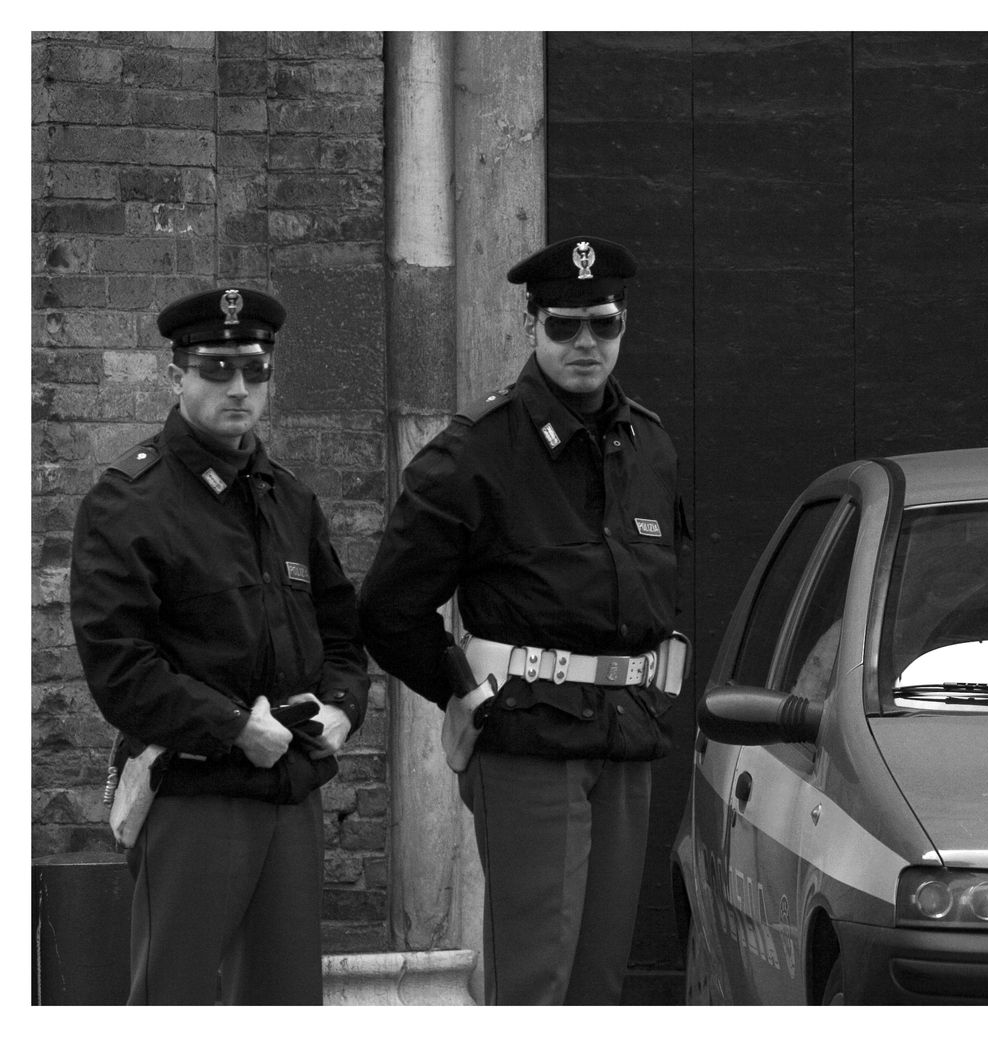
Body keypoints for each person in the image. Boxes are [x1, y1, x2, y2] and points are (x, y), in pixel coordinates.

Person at [358, 234, 690, 1005]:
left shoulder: (651, 444)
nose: (584, 343)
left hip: (626, 739)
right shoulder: (475, 452)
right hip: (530, 742)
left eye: (602, 324)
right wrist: (462, 692)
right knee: (534, 981)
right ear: (530, 323)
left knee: (598, 985)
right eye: (563, 325)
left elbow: (652, 586)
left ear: (624, 324)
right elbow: (388, 606)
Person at [70, 286, 368, 1004]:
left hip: (289, 793)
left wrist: (341, 710)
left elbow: (343, 635)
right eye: (216, 368)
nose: (239, 387)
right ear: (176, 376)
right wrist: (235, 727)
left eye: (255, 369)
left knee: (285, 1000)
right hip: (192, 796)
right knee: (174, 998)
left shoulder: (289, 498)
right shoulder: (127, 500)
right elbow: (121, 668)